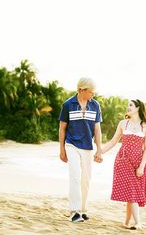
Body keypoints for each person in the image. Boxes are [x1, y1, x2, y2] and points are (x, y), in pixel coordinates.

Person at [101, 99, 146, 230]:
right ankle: (138, 223)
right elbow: (113, 141)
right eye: (128, 105)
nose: (128, 107)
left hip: (138, 162)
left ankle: (126, 222)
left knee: (132, 193)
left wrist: (142, 166)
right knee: (131, 191)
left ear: (138, 108)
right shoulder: (123, 123)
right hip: (123, 160)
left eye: (130, 105)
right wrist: (99, 152)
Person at [59, 77, 103, 223]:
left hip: (88, 147)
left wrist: (99, 150)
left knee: (86, 180)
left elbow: (97, 129)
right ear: (81, 90)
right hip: (71, 145)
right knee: (75, 177)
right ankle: (75, 212)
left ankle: (83, 210)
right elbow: (62, 128)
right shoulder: (68, 104)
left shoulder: (95, 105)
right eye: (91, 92)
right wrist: (62, 150)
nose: (93, 95)